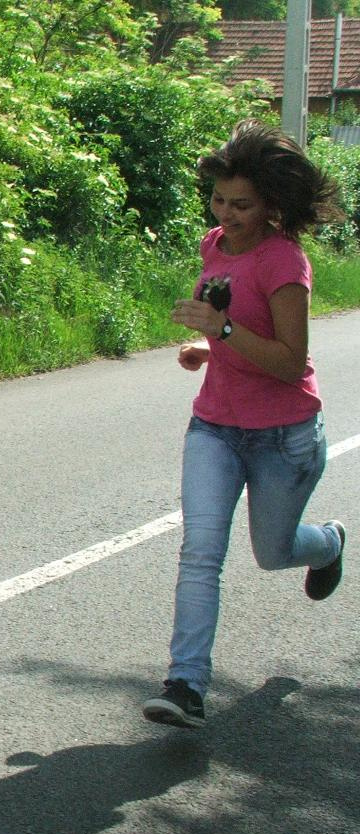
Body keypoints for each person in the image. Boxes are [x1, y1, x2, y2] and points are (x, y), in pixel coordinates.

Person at [142, 119, 345, 730]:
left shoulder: (285, 261)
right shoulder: (213, 245)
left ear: (272, 205)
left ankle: (329, 542)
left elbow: (287, 361)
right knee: (200, 551)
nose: (226, 213)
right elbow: (230, 329)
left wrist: (222, 331)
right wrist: (210, 351)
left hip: (283, 434)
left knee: (273, 552)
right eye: (220, 199)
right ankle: (186, 686)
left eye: (242, 204)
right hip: (215, 427)